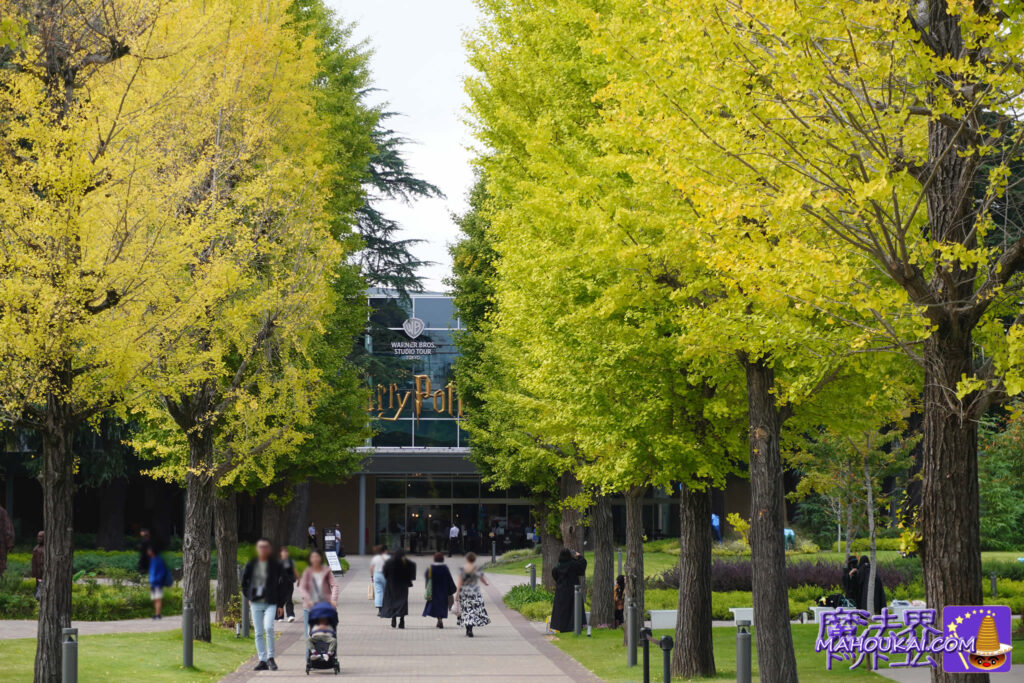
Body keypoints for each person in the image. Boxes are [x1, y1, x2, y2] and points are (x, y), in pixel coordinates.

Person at [241, 538, 286, 671]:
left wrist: (280, 604)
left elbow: (284, 584)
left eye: (265, 547)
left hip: (271, 602)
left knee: (269, 628)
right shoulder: (251, 564)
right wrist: (249, 596)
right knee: (258, 632)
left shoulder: (275, 565)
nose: (263, 550)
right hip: (256, 603)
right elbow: (244, 583)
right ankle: (262, 660)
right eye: (260, 547)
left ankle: (271, 658)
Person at [298, 549, 340, 628]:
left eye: (317, 556)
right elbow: (302, 588)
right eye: (313, 557)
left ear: (321, 558)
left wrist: (333, 599)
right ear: (309, 559)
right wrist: (309, 599)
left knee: (329, 632)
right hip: (310, 606)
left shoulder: (327, 570)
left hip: (326, 605)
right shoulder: (307, 572)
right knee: (310, 635)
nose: (315, 559)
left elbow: (335, 585)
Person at [550, 548, 587, 632]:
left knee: (562, 610)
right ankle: (573, 626)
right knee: (573, 608)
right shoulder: (573, 564)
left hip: (561, 591)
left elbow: (555, 576)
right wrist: (579, 556)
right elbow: (582, 566)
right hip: (573, 590)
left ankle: (561, 627)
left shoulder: (557, 567)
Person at [455, 552, 490, 637]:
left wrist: (457, 594)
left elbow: (460, 582)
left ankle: (468, 629)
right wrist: (486, 583)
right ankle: (470, 629)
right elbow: (482, 578)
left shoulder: (462, 569)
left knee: (466, 610)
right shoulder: (477, 568)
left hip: (464, 592)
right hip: (475, 592)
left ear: (467, 559)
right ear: (474, 559)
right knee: (473, 610)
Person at [380, 547, 416, 629]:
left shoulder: (389, 562)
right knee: (403, 602)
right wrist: (410, 578)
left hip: (392, 585)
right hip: (403, 586)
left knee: (392, 601)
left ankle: (393, 618)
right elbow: (412, 568)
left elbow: (385, 573)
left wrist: (388, 579)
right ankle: (402, 620)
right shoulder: (406, 562)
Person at [422, 552, 457, 628]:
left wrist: (427, 588)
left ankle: (439, 620)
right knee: (442, 606)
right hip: (443, 591)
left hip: (434, 591)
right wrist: (452, 589)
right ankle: (440, 619)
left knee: (435, 606)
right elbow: (449, 579)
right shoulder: (445, 568)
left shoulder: (431, 568)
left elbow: (427, 578)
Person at [147, 545, 173, 620]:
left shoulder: (158, 560)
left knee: (158, 598)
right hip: (152, 582)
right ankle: (156, 613)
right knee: (154, 598)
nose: (148, 552)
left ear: (152, 551)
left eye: (149, 550)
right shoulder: (152, 559)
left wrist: (157, 580)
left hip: (157, 583)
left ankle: (158, 615)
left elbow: (162, 572)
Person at [277, 547, 298, 622]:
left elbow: (294, 571)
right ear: (280, 553)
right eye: (283, 552)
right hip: (280, 584)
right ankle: (280, 616)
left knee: (289, 599)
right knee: (279, 600)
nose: (285, 553)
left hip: (289, 582)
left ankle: (290, 615)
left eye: (286, 552)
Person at [369, 545, 389, 614]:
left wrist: (372, 576)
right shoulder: (388, 558)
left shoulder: (375, 558)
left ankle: (380, 610)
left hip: (377, 575)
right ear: (385, 550)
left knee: (378, 592)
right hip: (386, 575)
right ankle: (387, 608)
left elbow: (371, 568)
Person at [0, 505, 13, 577]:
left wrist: (9, 543)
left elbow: (8, 528)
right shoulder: (3, 511)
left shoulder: (2, 512)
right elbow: (8, 528)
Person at [31, 531, 45, 600]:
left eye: (41, 536)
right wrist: (34, 573)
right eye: (38, 536)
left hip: (45, 571)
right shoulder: (36, 549)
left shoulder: (47, 549)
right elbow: (33, 562)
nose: (39, 538)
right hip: (38, 572)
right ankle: (38, 597)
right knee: (38, 585)